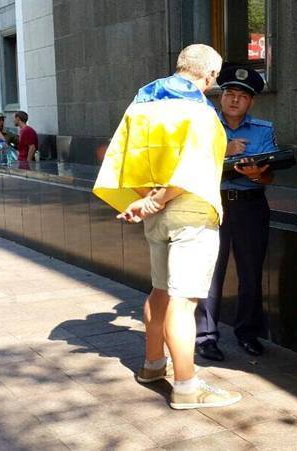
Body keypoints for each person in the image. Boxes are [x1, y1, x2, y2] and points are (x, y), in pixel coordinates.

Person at [93, 44, 242, 410]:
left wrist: (147, 199)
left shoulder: (141, 104)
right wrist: (158, 199)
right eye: (215, 79)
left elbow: (121, 156)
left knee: (160, 291)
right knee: (183, 301)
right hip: (190, 210)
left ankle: (152, 365)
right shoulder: (200, 112)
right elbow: (193, 167)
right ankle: (188, 387)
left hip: (156, 215)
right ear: (209, 75)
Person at [195, 65, 277, 361]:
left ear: (251, 101)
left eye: (242, 95)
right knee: (209, 272)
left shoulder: (263, 130)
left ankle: (248, 332)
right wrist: (224, 152)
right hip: (212, 203)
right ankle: (205, 336)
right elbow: (189, 163)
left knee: (251, 272)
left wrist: (255, 174)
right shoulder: (204, 126)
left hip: (250, 205)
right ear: (220, 97)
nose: (234, 100)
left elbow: (269, 175)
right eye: (229, 93)